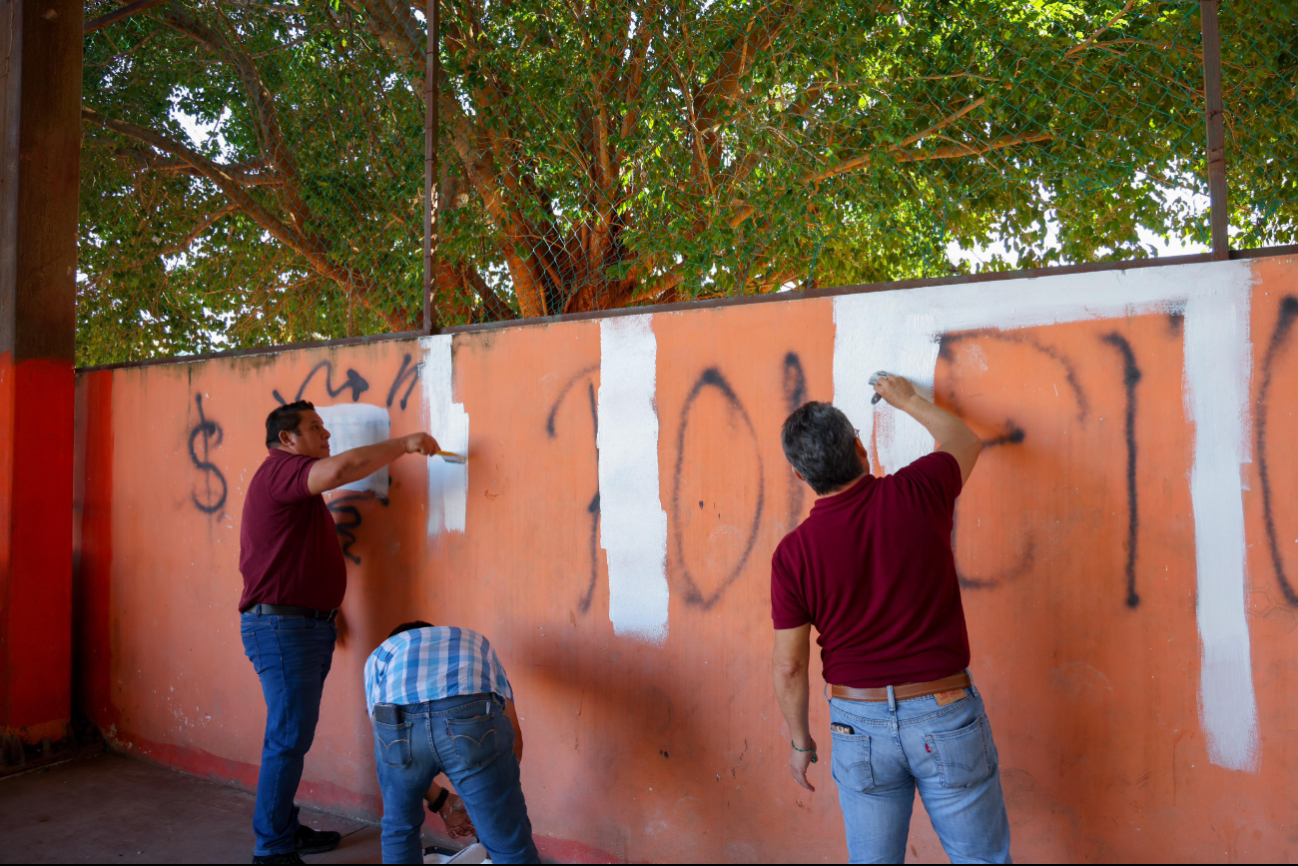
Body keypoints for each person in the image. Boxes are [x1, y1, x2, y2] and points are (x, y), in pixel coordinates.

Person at [770, 374, 1011, 864]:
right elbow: (964, 440)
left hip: (856, 727)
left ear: (801, 475)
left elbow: (790, 667)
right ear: (860, 446)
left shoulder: (792, 555)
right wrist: (906, 399)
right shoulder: (919, 492)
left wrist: (801, 742)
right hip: (944, 710)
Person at [239, 400, 440, 864]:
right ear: (286, 439)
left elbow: (290, 555)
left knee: (291, 737)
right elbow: (342, 468)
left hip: (301, 625)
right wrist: (405, 443)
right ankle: (271, 849)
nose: (326, 436)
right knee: (287, 739)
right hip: (284, 629)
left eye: (325, 428)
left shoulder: (292, 485)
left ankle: (282, 831)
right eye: (314, 428)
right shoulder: (282, 471)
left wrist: (329, 610)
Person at [364, 621, 538, 865]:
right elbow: (513, 734)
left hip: (399, 725)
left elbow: (385, 740)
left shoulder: (382, 654)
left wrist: (443, 801)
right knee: (508, 842)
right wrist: (488, 798)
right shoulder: (474, 641)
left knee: (400, 830)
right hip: (471, 719)